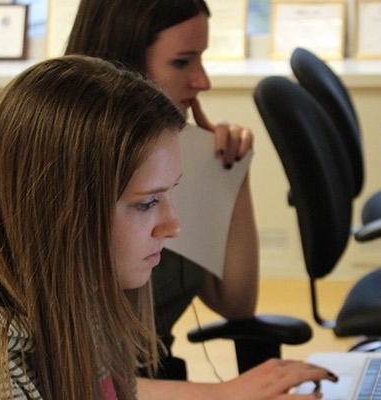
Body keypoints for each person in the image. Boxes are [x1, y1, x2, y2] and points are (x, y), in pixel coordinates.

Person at [0, 55, 335, 399]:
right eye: (147, 204)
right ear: (63, 212)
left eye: (170, 195)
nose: (173, 225)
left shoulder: (72, 289)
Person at [66, 0, 260, 379]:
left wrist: (231, 175)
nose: (203, 81)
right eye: (182, 62)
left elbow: (235, 303)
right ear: (123, 66)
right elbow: (79, 380)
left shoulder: (175, 161)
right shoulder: (65, 174)